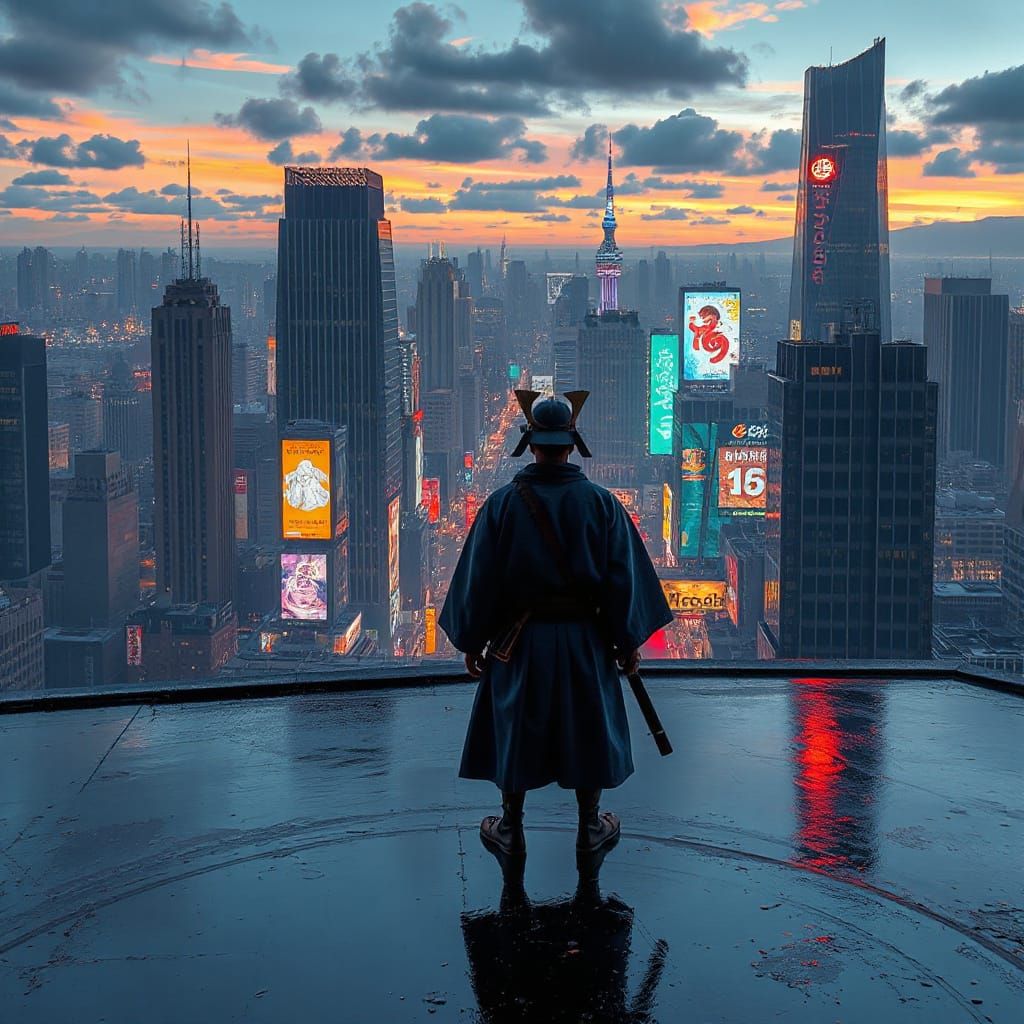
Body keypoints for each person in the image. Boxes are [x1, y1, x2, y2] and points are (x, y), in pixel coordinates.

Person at [439, 389, 672, 857]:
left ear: (530, 443)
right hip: (586, 640)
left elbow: (478, 580)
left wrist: (471, 640)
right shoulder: (602, 505)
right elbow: (625, 578)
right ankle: (590, 826)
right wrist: (626, 641)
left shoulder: (501, 506)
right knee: (587, 725)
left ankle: (511, 825)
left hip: (518, 643)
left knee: (514, 726)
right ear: (572, 444)